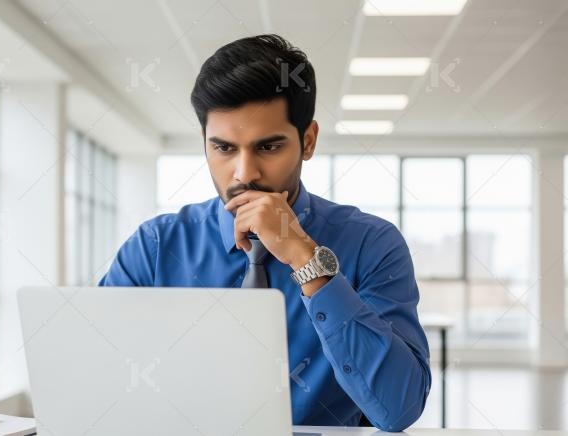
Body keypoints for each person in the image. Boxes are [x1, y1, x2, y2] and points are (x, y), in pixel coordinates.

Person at [99, 34, 431, 431]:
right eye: (223, 148)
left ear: (307, 142)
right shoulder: (155, 247)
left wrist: (307, 259)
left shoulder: (371, 244)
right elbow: (96, 382)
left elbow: (398, 409)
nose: (244, 173)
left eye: (268, 148)